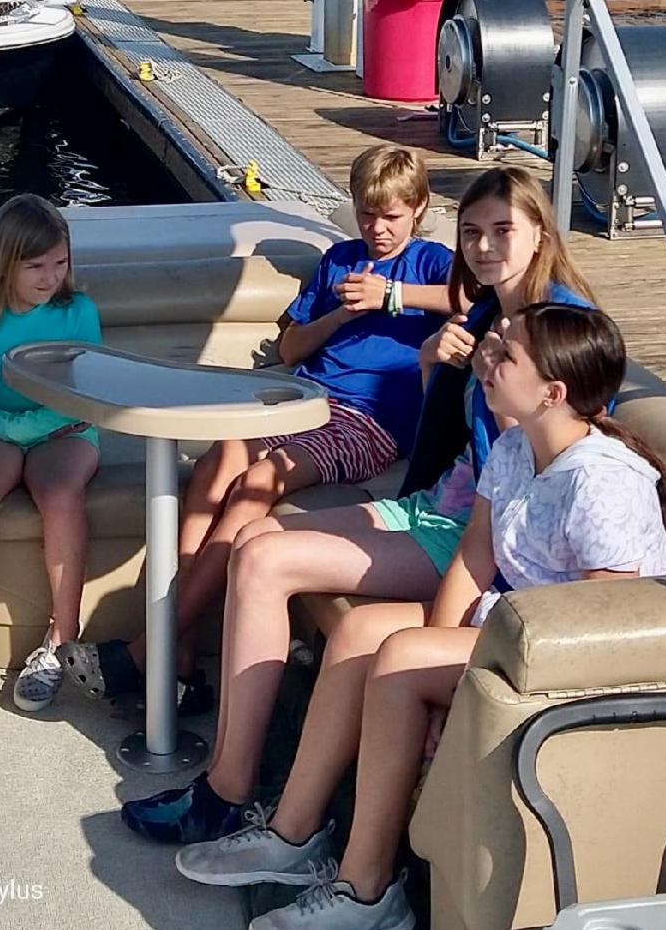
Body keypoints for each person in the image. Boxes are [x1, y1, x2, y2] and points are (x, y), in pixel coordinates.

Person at [178, 303, 666, 930]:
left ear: (552, 392)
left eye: (508, 356)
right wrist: (443, 660)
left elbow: (601, 619)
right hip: (517, 623)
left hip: (579, 657)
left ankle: (367, 894)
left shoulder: (601, 482)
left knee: (399, 658)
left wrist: (442, 674)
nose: (489, 360)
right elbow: (474, 558)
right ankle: (293, 832)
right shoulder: (515, 447)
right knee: (361, 633)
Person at [121, 163, 594, 843]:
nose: (484, 246)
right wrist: (434, 363)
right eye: (472, 233)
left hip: (481, 536)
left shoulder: (562, 331)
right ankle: (221, 764)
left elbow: (553, 458)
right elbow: (451, 439)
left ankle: (225, 789)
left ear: (539, 232)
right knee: (253, 537)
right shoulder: (487, 313)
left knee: (265, 559)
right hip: (435, 505)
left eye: (501, 231)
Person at [60, 143, 455, 715]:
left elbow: (476, 296)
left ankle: (152, 647)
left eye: (391, 216)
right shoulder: (339, 259)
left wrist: (391, 295)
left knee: (258, 483)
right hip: (305, 398)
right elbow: (292, 349)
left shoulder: (432, 262)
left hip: (369, 420)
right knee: (220, 459)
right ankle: (180, 656)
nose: (377, 229)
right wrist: (343, 313)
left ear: (417, 209)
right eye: (367, 214)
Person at [0, 194, 102, 713]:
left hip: (63, 430)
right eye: (35, 266)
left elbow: (81, 399)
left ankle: (62, 639)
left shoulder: (79, 312)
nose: (50, 277)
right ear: (3, 263)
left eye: (60, 263)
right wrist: (2, 429)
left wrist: (9, 425)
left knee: (60, 494)